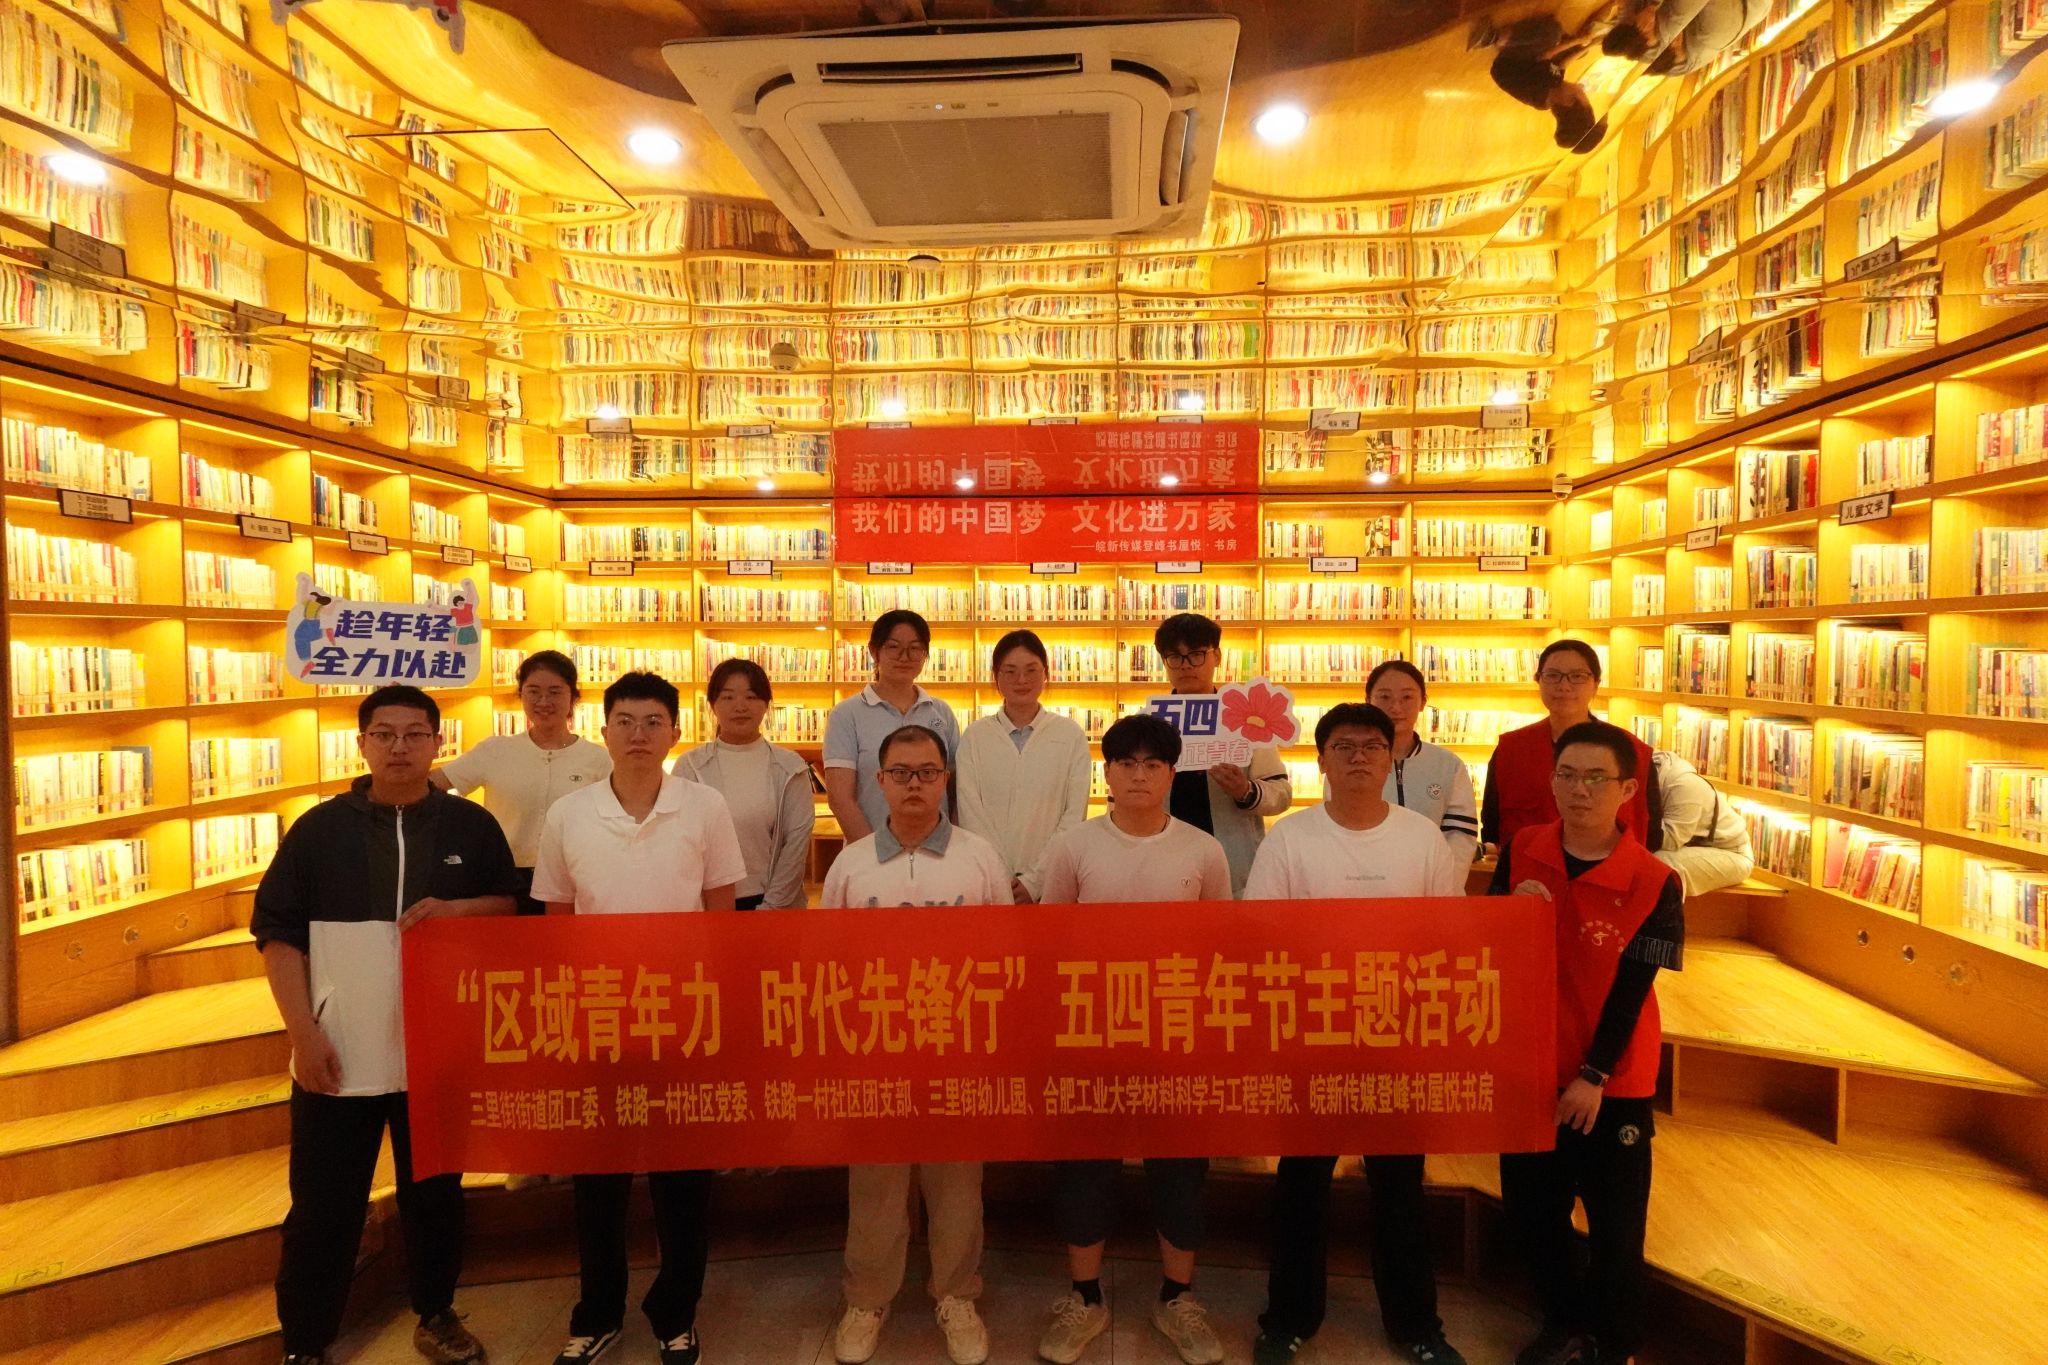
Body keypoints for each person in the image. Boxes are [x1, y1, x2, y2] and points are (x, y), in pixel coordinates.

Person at [253, 684, 519, 1365]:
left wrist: (458, 912)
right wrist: (303, 1034)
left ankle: (436, 1313)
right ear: (362, 742)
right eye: (385, 734)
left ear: (437, 742)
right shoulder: (318, 830)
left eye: (414, 734)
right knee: (324, 1205)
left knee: (436, 1195)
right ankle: (305, 1342)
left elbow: (509, 908)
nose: (400, 747)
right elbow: (278, 936)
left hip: (438, 1050)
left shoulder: (471, 827)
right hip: (338, 1048)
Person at [530, 671, 746, 1365]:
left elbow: (721, 909)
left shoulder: (705, 806)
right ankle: (597, 1313)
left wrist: (715, 1004)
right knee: (599, 1179)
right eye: (625, 721)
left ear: (676, 732)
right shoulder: (569, 813)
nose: (639, 734)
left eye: (654, 721)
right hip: (599, 1016)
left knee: (684, 1178)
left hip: (683, 1017)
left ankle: (676, 1312)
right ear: (603, 732)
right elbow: (557, 916)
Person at [1245, 703, 1469, 1365]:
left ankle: (1416, 1325)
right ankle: (1288, 1317)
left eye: (1372, 745)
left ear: (1390, 756)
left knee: (1400, 1185)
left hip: (1397, 1035)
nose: (1359, 757)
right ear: (1320, 760)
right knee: (1301, 1182)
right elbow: (1261, 934)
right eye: (1343, 746)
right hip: (1312, 1037)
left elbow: (1449, 934)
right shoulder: (1290, 839)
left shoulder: (1421, 838)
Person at [1033, 713, 1233, 1365]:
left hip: (1176, 1035)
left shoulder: (1202, 849)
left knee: (1181, 1168)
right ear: (1108, 773)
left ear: (1172, 773)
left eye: (1152, 764)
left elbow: (1220, 946)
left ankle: (1177, 1296)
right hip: (1092, 1033)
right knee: (1085, 1166)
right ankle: (1084, 1296)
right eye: (1126, 763)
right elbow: (1053, 942)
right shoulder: (1074, 846)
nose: (1139, 775)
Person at [1489, 721, 1684, 1365]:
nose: (1579, 790)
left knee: (1616, 1226)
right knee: (1532, 1212)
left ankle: (1613, 1343)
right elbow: (1489, 945)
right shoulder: (1523, 849)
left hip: (1612, 1078)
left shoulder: (1656, 881)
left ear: (1627, 789)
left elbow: (1633, 990)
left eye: (1596, 778)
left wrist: (1594, 1075)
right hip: (1529, 1065)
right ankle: (1564, 1326)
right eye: (1567, 776)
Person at [821, 724, 1009, 1365]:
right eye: (900, 773)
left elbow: (1003, 955)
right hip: (875, 1048)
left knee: (956, 1181)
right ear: (879, 781)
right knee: (875, 1182)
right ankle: (867, 1298)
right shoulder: (850, 864)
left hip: (957, 1045)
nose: (914, 785)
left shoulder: (980, 857)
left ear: (945, 779)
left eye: (927, 772)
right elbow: (829, 964)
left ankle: (956, 1295)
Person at [431, 649, 610, 915]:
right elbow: (434, 784)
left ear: (573, 696)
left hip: (574, 877)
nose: (543, 701)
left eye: (555, 692)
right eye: (533, 691)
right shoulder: (495, 750)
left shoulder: (599, 759)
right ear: (521, 694)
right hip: (504, 880)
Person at [1153, 612, 1290, 896]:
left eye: (1196, 654)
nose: (1186, 665)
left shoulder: (1245, 718)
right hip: (1163, 860)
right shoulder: (1150, 724)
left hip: (1231, 859)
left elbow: (1281, 793)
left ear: (1217, 656)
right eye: (1174, 656)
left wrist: (1246, 791)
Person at [1481, 640, 1659, 855]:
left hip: (1611, 870)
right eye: (1552, 675)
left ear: (1596, 684)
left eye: (1577, 676)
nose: (1564, 686)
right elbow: (1492, 827)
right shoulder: (1511, 749)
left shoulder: (1633, 751)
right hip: (1529, 868)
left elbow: (1651, 834)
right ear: (1538, 680)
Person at [954, 629, 1092, 903]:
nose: (1021, 680)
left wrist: (1034, 881)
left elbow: (1074, 816)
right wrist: (1000, 878)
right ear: (996, 676)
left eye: (1031, 670)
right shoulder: (975, 736)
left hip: (1052, 883)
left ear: (1046, 673)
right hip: (988, 883)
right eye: (1010, 671)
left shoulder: (1070, 735)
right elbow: (971, 814)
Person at [672, 657, 816, 909]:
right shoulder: (690, 766)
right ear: (712, 705)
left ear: (766, 704)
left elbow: (795, 845)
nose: (740, 706)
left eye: (751, 697)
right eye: (728, 697)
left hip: (774, 903)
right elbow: (678, 841)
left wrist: (771, 908)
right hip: (707, 904)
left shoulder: (790, 767)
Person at [824, 609, 962, 843]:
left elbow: (955, 790)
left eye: (915, 648)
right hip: (871, 848)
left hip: (937, 849)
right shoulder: (846, 715)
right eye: (893, 647)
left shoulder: (942, 712)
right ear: (874, 650)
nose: (904, 657)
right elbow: (841, 799)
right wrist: (873, 852)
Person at [1367, 660, 1479, 866]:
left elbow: (1460, 836)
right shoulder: (1350, 764)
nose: (1396, 707)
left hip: (1433, 879)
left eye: (1407, 697)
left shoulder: (1448, 765)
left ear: (1423, 702)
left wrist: (1443, 880)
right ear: (1368, 701)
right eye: (1385, 697)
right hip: (1368, 877)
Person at [1486, 15, 1609, 152]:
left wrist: (1577, 41)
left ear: (1569, 101)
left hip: (1509, 63)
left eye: (1580, 93)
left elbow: (1546, 55)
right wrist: (1589, 45)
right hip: (1530, 65)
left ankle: (1496, 37)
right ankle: (1522, 39)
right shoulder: (1555, 93)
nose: (1580, 88)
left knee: (1552, 33)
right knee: (1579, 51)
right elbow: (1562, 65)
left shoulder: (1542, 90)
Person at [1650, 750, 1754, 896]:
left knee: (1658, 865)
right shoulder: (1654, 772)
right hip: (1695, 844)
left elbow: (1670, 840)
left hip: (1732, 852)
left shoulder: (1683, 784)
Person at [1604, 0, 1773, 75]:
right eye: (1651, 27)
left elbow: (1627, 14)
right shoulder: (1712, 31)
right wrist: (1653, 5)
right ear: (1676, 43)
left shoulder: (1642, 45)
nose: (1648, 22)